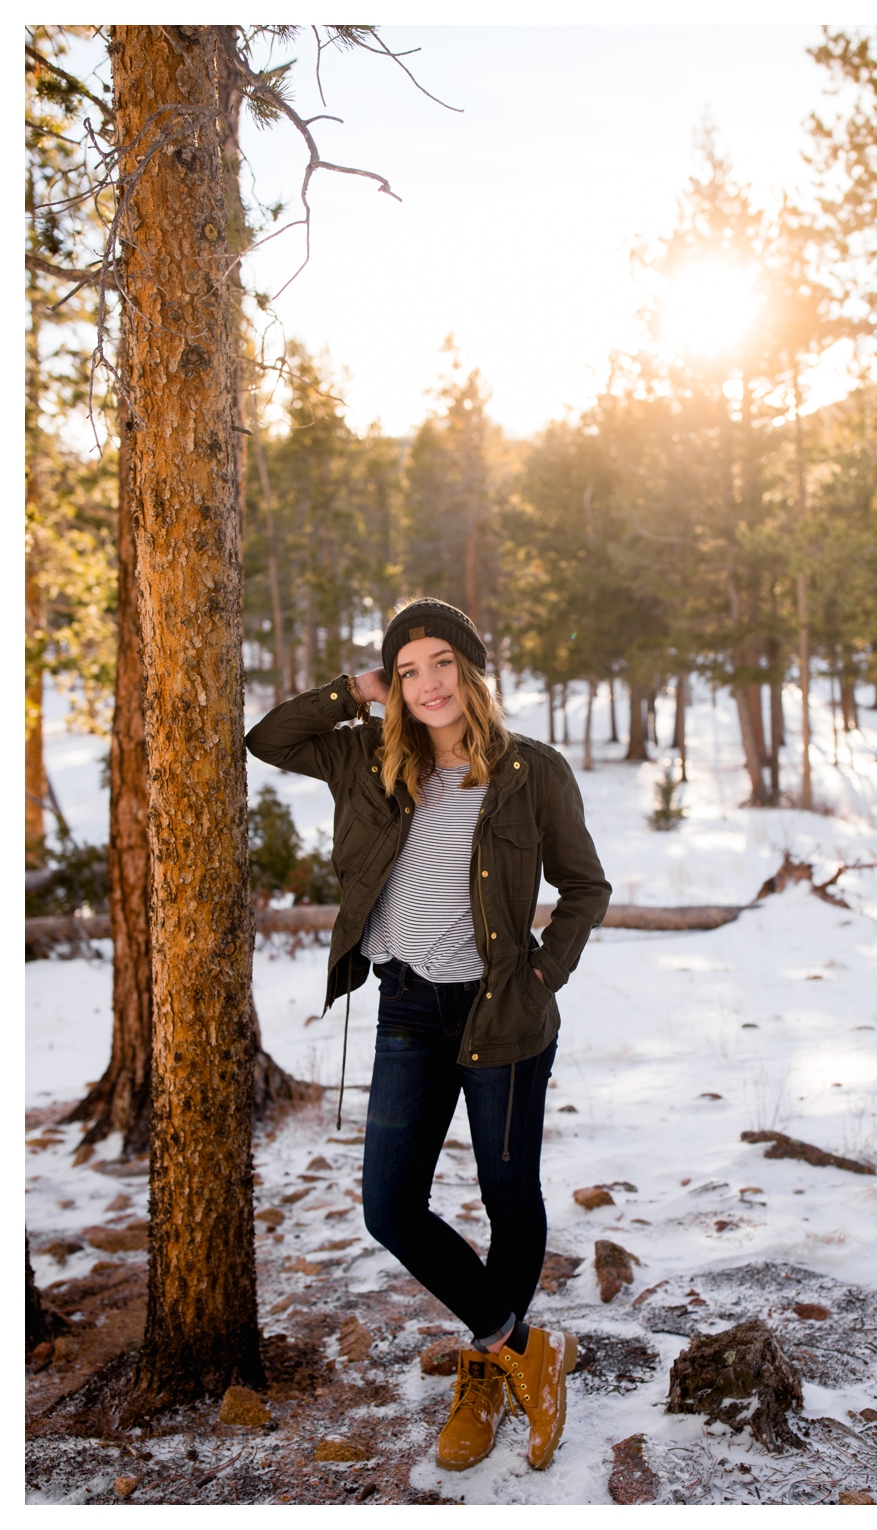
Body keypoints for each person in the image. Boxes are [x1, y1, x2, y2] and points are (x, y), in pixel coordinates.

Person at [246, 597, 611, 1474]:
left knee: (507, 1191)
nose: (425, 684)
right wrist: (354, 689)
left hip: (502, 1012)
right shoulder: (367, 758)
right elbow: (268, 740)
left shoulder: (533, 770)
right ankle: (520, 1348)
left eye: (440, 662)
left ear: (471, 669)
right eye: (407, 671)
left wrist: (541, 971)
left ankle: (485, 1374)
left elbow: (585, 886)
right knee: (389, 1208)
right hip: (407, 1008)